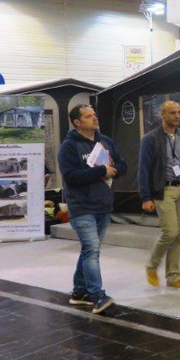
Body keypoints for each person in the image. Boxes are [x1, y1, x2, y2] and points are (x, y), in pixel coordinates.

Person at [58, 104, 127, 314]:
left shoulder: (105, 141)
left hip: (103, 205)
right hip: (82, 207)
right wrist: (101, 171)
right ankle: (98, 296)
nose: (95, 118)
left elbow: (122, 164)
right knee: (91, 250)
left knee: (90, 250)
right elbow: (70, 177)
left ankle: (79, 293)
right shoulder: (69, 147)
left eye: (95, 115)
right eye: (89, 116)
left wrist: (114, 170)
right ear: (77, 122)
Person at [138, 100, 180, 291]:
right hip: (164, 190)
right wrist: (145, 197)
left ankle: (173, 277)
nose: (177, 116)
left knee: (179, 235)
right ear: (162, 115)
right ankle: (152, 266)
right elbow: (143, 169)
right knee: (170, 232)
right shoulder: (151, 138)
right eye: (172, 112)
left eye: (179, 112)